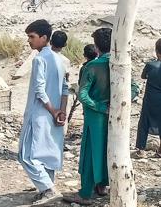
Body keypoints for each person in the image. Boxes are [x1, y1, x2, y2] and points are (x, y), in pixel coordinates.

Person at [18, 20, 68, 205]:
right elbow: (65, 88)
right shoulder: (59, 59)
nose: (29, 41)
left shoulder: (40, 59)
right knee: (47, 153)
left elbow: (39, 90)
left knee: (26, 155)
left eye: (32, 37)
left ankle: (48, 189)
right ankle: (46, 188)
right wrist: (61, 110)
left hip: (39, 112)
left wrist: (54, 110)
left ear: (44, 38)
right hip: (53, 112)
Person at [66, 28, 114, 203]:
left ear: (96, 45)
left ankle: (85, 193)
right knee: (109, 151)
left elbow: (83, 95)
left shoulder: (93, 66)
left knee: (89, 154)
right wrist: (116, 105)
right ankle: (102, 186)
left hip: (95, 117)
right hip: (115, 118)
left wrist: (100, 106)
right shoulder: (119, 63)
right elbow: (134, 88)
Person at [136, 37, 161, 158]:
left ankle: (141, 150)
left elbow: (143, 76)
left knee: (144, 122)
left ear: (156, 51)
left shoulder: (150, 65)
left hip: (150, 99)